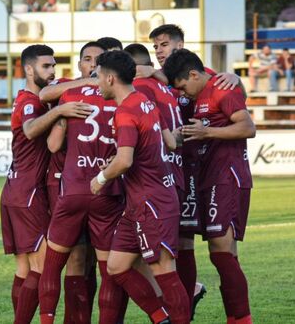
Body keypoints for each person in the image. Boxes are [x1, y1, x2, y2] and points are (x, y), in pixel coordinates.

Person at [148, 24, 243, 318]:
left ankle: (239, 315)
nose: (159, 51)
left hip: (214, 169)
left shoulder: (208, 76)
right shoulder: (154, 79)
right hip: (180, 170)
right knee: (180, 241)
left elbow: (241, 110)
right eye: (156, 47)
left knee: (221, 245)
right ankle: (185, 308)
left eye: (164, 44)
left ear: (181, 44)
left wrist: (237, 77)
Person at [91, 50, 190, 324]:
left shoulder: (125, 111)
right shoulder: (144, 100)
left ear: (110, 78)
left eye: (98, 76)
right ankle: (161, 318)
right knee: (116, 266)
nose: (97, 82)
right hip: (140, 202)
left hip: (151, 201)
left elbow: (124, 161)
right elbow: (169, 142)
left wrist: (100, 179)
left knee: (164, 270)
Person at [0, 44, 92, 324]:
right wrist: (60, 111)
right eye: (46, 66)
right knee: (41, 268)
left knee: (25, 268)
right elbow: (29, 130)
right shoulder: (30, 102)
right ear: (29, 69)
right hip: (29, 192)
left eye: (53, 66)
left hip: (14, 190)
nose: (52, 72)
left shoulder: (30, 98)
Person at [38, 41, 129, 324]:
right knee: (109, 267)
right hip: (107, 188)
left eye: (96, 61)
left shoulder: (71, 95)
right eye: (87, 59)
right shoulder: (121, 95)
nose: (92, 64)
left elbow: (53, 146)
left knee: (53, 266)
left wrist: (62, 117)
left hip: (74, 189)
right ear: (81, 65)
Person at [164, 49, 255, 324]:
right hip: (205, 176)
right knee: (218, 252)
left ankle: (241, 318)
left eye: (183, 86)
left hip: (226, 177)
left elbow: (248, 127)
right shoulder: (199, 95)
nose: (183, 93)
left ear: (194, 74)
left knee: (222, 251)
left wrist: (208, 132)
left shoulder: (221, 89)